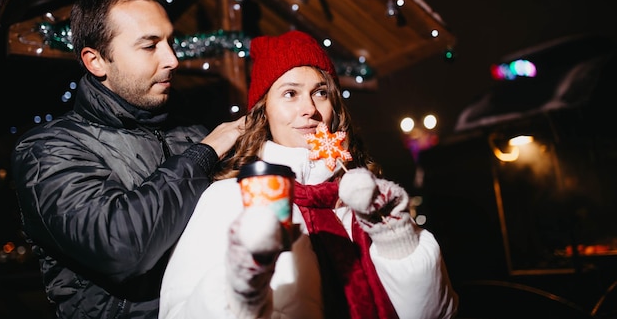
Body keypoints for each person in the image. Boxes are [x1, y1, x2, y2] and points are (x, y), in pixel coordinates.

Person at [159, 30, 458, 319]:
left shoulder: (366, 197)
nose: (309, 109)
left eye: (320, 93)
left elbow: (434, 313)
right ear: (264, 112)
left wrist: (398, 241)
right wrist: (239, 293)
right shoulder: (228, 199)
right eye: (290, 93)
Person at [11, 0, 244, 318]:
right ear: (96, 61)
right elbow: (120, 246)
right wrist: (202, 155)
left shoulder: (191, 132)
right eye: (150, 46)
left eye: (170, 41)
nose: (173, 59)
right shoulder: (47, 150)